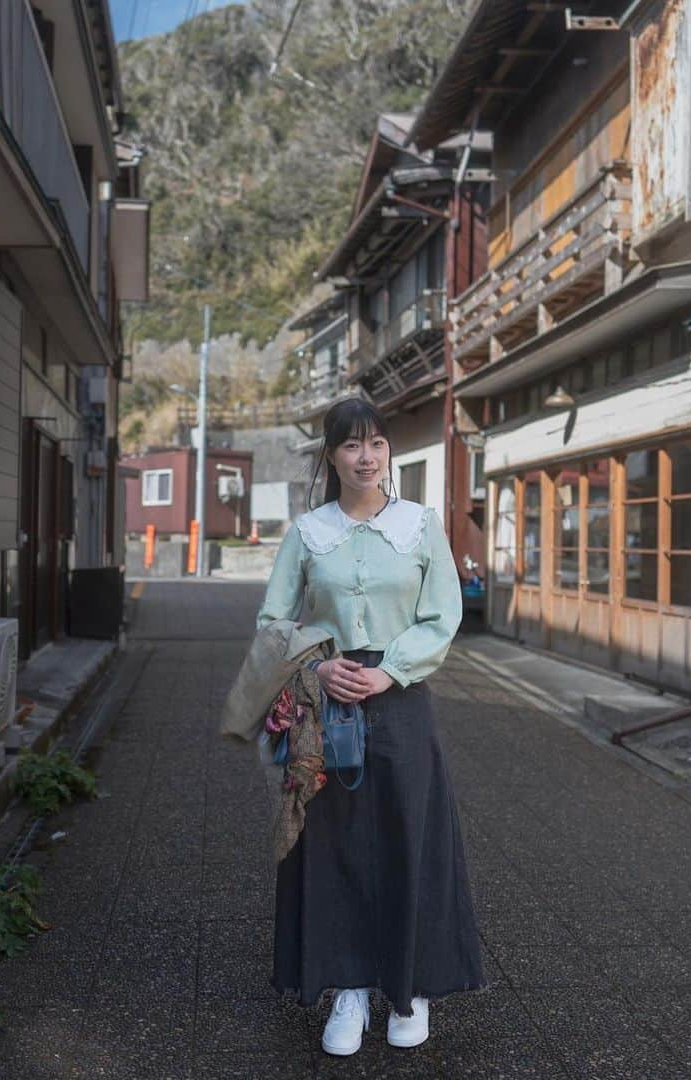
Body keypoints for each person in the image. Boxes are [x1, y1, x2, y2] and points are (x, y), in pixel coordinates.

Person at [255, 396, 485, 1055]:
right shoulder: (308, 532)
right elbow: (275, 620)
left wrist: (390, 671)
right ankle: (348, 990)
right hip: (327, 703)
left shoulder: (419, 526)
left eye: (378, 443)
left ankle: (408, 991)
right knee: (332, 842)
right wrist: (320, 665)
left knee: (407, 837)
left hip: (402, 699)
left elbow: (441, 614)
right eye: (353, 445)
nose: (368, 456)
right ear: (332, 456)